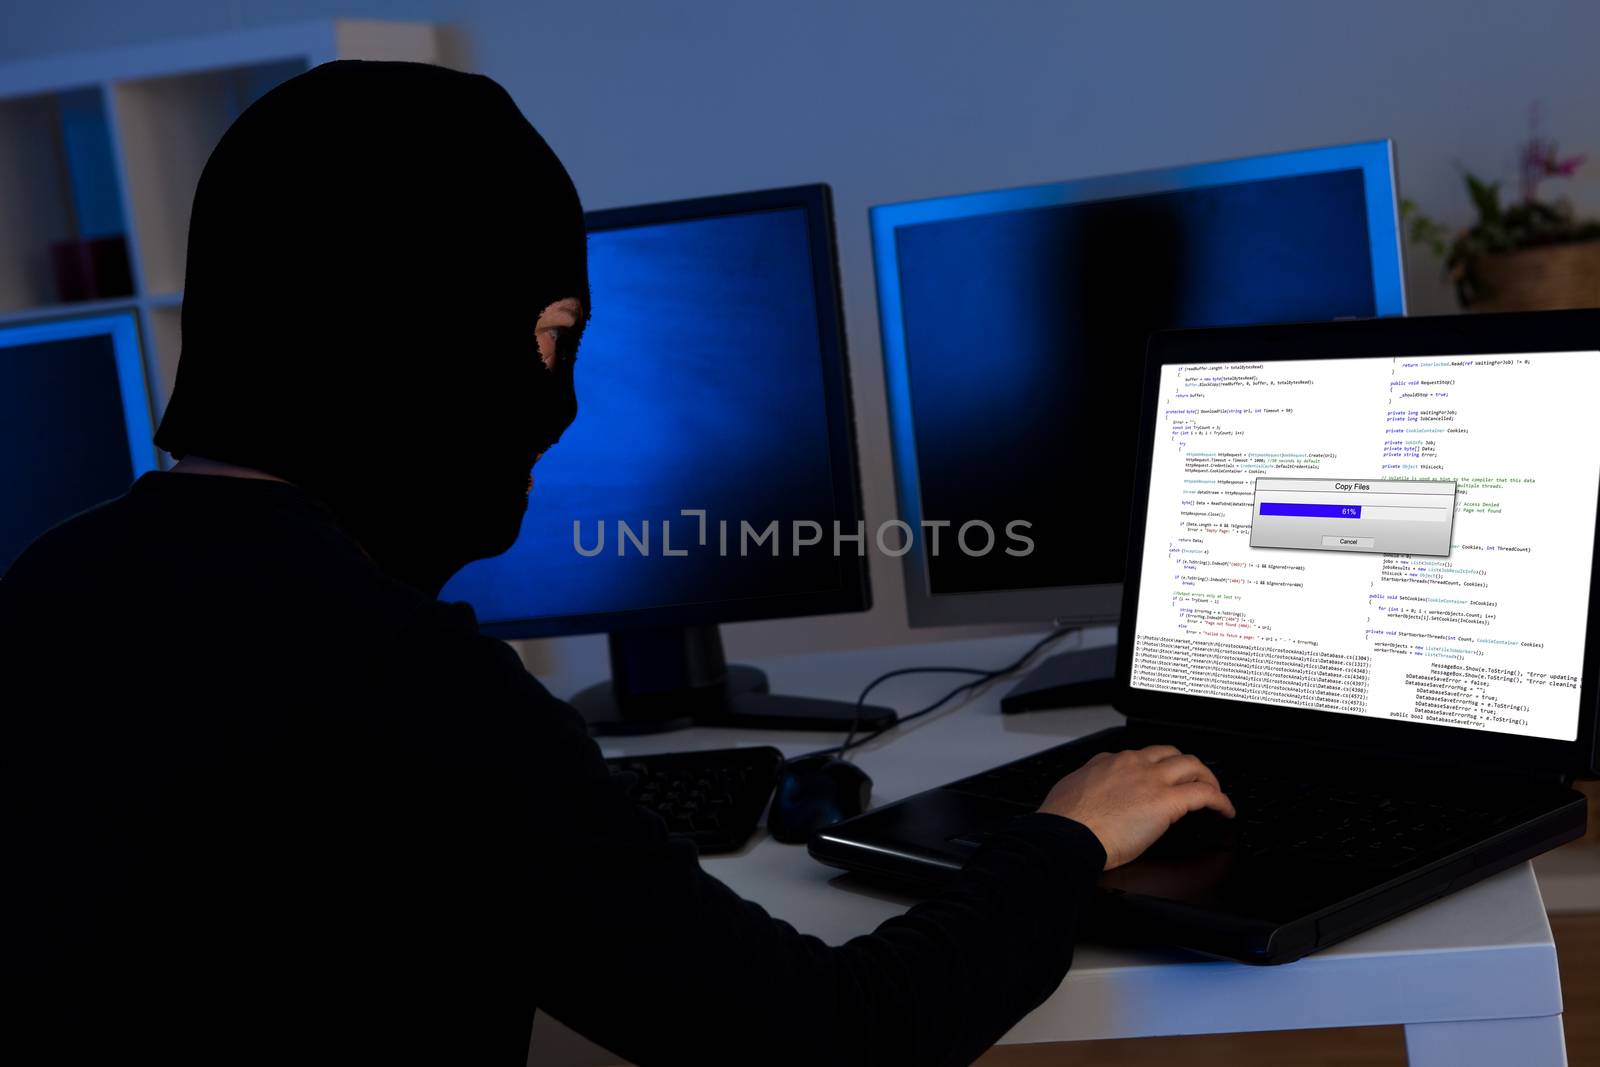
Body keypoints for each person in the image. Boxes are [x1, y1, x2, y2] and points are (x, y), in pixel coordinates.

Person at [0, 61, 1232, 1066]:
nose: (563, 402)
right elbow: (837, 1042)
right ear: (421, 326)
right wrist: (1064, 835)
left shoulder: (46, 586)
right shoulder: (402, 684)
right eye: (551, 332)